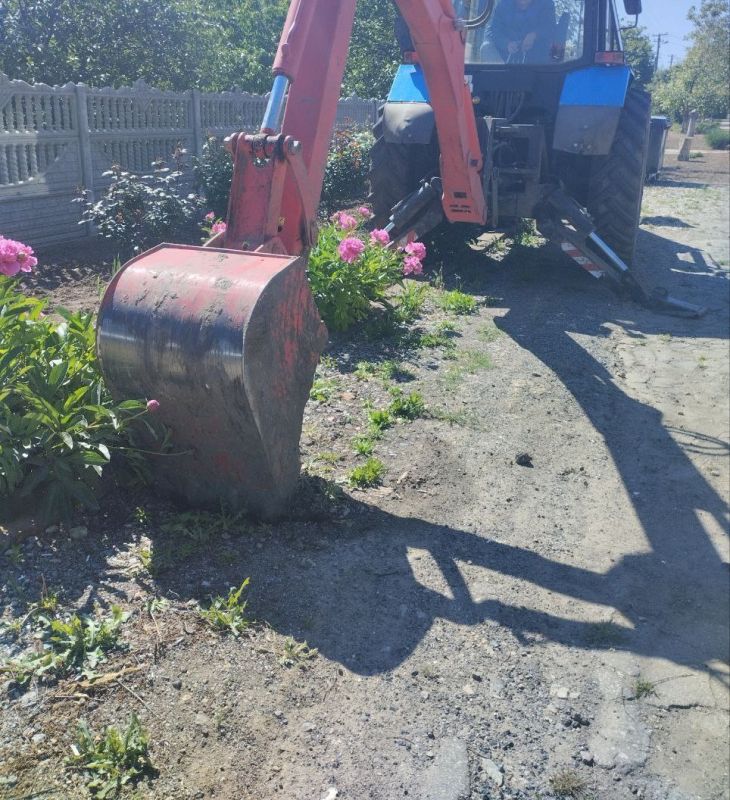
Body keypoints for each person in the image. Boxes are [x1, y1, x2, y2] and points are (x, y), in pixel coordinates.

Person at [483, 0, 556, 63]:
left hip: (536, 58)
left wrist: (534, 35)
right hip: (505, 57)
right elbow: (494, 31)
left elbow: (550, 28)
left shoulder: (547, 4)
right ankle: (500, 77)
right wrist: (506, 44)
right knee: (486, 47)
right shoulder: (503, 4)